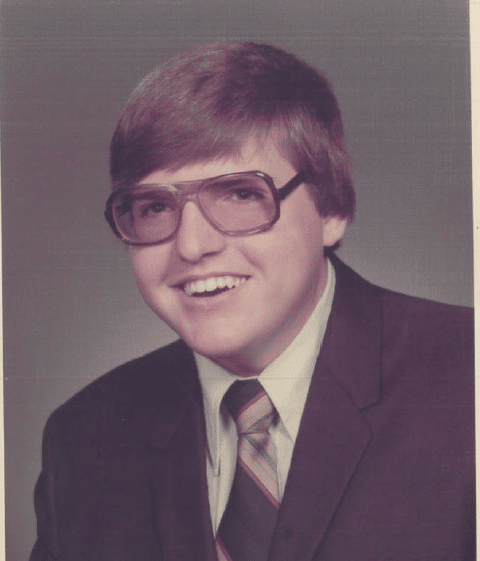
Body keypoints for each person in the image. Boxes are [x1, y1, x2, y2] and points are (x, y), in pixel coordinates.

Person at [30, 42, 474, 561]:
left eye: (240, 194)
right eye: (154, 207)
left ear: (331, 209)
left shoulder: (466, 379)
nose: (192, 246)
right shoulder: (85, 440)